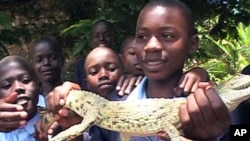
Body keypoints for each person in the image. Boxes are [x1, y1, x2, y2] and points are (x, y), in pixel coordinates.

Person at [46, 0, 231, 140]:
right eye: (142, 36)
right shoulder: (113, 100)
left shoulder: (216, 105)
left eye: (167, 36)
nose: (151, 46)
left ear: (193, 43)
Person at [0, 55, 40, 141]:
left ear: (38, 85)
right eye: (7, 85)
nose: (18, 87)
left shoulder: (58, 124)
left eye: (26, 80)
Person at [73, 20, 115, 90]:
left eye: (107, 35)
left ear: (113, 38)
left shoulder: (122, 61)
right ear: (91, 40)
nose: (101, 39)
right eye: (97, 36)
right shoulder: (82, 65)